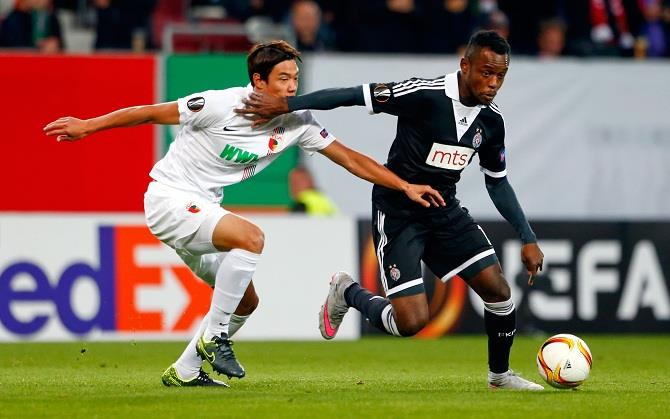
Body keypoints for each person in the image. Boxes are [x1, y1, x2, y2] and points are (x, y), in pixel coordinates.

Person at [43, 40, 444, 387]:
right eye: (283, 78)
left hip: (203, 209)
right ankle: (215, 338)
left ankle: (185, 370)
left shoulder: (297, 121)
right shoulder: (220, 105)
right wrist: (88, 125)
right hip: (169, 198)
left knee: (245, 302)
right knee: (252, 238)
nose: (292, 86)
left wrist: (404, 186)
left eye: (295, 78)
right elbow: (148, 112)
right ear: (258, 81)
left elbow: (351, 159)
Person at [236, 30, 546, 390]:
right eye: (486, 73)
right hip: (399, 210)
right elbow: (353, 95)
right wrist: (289, 105)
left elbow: (497, 182)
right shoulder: (424, 94)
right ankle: (348, 292)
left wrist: (527, 236)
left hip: (444, 209)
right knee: (411, 323)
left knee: (499, 291)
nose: (493, 83)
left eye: (500, 76)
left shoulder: (491, 121)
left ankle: (500, 376)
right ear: (465, 66)